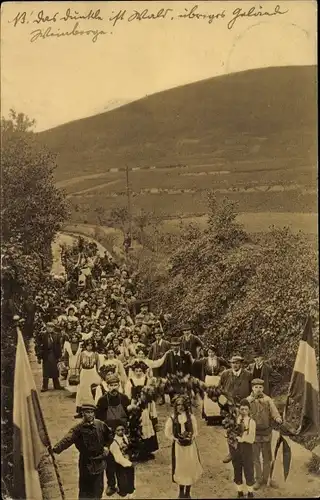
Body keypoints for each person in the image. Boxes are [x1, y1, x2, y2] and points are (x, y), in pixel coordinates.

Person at [52, 403, 113, 500]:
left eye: (91, 412)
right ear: (82, 413)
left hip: (99, 462)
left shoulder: (100, 425)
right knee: (85, 490)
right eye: (87, 412)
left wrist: (106, 446)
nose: (90, 415)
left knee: (98, 489)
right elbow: (67, 439)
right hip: (86, 462)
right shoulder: (78, 428)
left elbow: (109, 436)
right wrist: (56, 449)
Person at [95, 374, 131, 497]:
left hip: (122, 435)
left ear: (119, 385)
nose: (114, 388)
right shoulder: (102, 401)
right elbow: (98, 420)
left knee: (122, 460)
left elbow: (130, 416)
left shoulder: (125, 399)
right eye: (111, 385)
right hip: (109, 436)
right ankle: (111, 484)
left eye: (116, 385)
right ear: (107, 386)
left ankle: (123, 486)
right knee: (110, 462)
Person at [164, 395, 203, 499]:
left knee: (189, 466)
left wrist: (191, 437)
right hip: (179, 448)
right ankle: (181, 491)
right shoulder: (172, 418)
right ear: (175, 406)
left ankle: (188, 492)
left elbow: (195, 431)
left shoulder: (191, 417)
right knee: (181, 467)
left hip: (190, 447)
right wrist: (176, 438)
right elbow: (167, 432)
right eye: (178, 405)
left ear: (185, 406)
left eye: (182, 405)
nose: (180, 407)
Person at [247, 379, 282, 490]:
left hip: (266, 432)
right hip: (253, 434)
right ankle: (258, 479)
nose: (258, 389)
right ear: (252, 388)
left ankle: (267, 478)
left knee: (267, 457)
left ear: (263, 388)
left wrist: (277, 417)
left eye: (260, 387)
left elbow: (274, 411)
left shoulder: (268, 400)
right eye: (256, 387)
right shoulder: (248, 400)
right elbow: (243, 414)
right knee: (255, 458)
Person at [220, 355, 252, 463]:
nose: (235, 365)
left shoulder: (248, 375)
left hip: (244, 407)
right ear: (230, 364)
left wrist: (248, 400)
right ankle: (232, 453)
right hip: (229, 407)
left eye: (237, 363)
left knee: (244, 429)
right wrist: (224, 400)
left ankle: (244, 453)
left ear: (241, 364)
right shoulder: (225, 374)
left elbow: (253, 390)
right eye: (233, 363)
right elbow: (219, 389)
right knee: (231, 429)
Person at [125, 360, 159, 461]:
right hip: (135, 406)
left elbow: (151, 395)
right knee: (135, 427)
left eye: (140, 370)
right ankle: (135, 451)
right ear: (134, 371)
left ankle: (147, 451)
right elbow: (128, 396)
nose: (138, 372)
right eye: (136, 371)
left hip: (145, 407)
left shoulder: (147, 380)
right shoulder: (130, 382)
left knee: (147, 427)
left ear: (143, 371)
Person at [193, 345, 229, 425]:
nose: (211, 354)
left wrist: (223, 373)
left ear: (215, 352)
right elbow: (195, 363)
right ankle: (209, 417)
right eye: (209, 352)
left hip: (217, 379)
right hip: (208, 379)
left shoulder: (220, 359)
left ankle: (219, 416)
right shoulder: (205, 360)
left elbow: (228, 366)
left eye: (212, 352)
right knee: (208, 396)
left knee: (218, 396)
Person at [230, 399, 256, 499]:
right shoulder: (235, 420)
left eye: (246, 409)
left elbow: (251, 439)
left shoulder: (251, 422)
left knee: (248, 469)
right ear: (239, 409)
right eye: (241, 409)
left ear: (249, 410)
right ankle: (239, 491)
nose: (243, 411)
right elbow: (231, 431)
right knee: (237, 468)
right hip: (236, 448)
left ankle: (250, 492)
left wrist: (240, 439)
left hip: (247, 448)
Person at [35, 321, 64, 392]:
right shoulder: (42, 335)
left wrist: (60, 356)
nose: (50, 329)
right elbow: (38, 346)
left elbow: (58, 346)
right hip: (46, 354)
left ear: (53, 328)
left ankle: (56, 385)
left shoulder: (56, 335)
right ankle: (45, 386)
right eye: (48, 327)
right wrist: (39, 356)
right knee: (46, 370)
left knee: (55, 369)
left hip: (54, 354)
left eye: (51, 327)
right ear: (46, 327)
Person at [75, 339, 100, 417]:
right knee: (82, 391)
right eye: (88, 345)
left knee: (91, 391)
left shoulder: (95, 354)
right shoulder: (82, 354)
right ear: (85, 346)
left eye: (91, 345)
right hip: (84, 372)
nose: (89, 347)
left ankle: (92, 410)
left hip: (92, 372)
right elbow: (77, 366)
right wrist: (77, 375)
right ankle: (81, 411)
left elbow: (98, 366)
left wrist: (99, 375)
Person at [110, 424, 135, 498]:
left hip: (126, 460)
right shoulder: (114, 442)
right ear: (115, 432)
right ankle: (122, 491)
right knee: (122, 477)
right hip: (120, 463)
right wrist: (128, 464)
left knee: (129, 476)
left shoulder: (124, 437)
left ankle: (130, 489)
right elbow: (117, 457)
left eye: (122, 429)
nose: (121, 432)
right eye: (118, 430)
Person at [63, 331, 82, 395]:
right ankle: (72, 391)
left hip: (78, 364)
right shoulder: (68, 345)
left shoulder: (81, 345)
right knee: (71, 377)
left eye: (75, 337)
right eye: (73, 337)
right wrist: (66, 365)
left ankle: (78, 391)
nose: (74, 338)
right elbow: (66, 357)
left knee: (79, 377)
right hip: (71, 364)